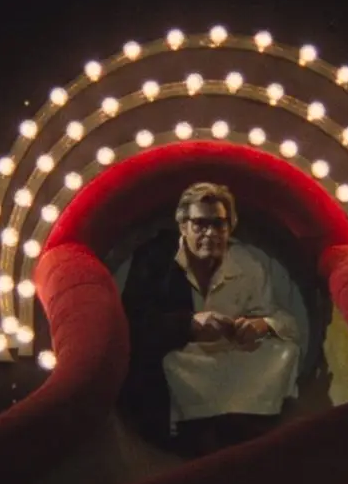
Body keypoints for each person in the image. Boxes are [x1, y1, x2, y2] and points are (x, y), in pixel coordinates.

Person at [119, 182, 301, 456]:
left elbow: (285, 322)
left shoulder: (249, 264)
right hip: (182, 359)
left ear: (230, 227)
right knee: (169, 364)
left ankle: (235, 421)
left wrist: (261, 325)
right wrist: (189, 325)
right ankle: (203, 428)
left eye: (218, 224)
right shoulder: (154, 259)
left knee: (285, 352)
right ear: (183, 227)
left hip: (231, 358)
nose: (210, 233)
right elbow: (132, 325)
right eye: (200, 224)